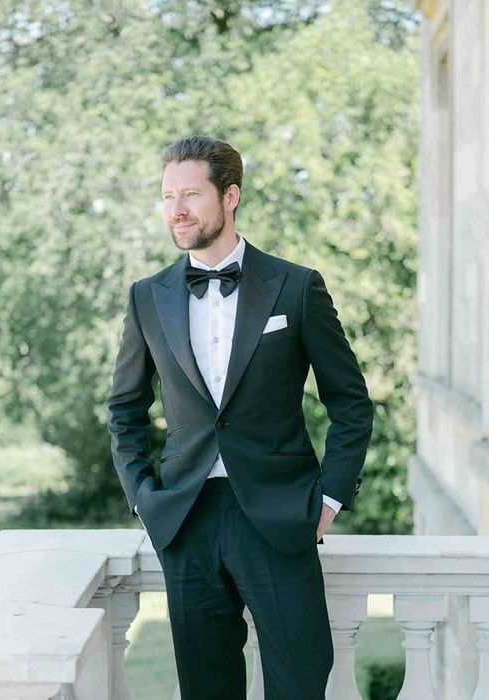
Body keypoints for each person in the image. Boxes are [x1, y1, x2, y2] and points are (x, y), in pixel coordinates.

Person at [107, 135, 374, 699]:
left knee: (301, 680)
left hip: (278, 515)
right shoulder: (146, 297)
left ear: (230, 196)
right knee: (207, 689)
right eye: (167, 196)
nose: (175, 210)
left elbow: (349, 401)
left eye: (190, 195)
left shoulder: (296, 287)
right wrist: (143, 496)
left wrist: (329, 499)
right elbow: (125, 409)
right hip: (187, 517)